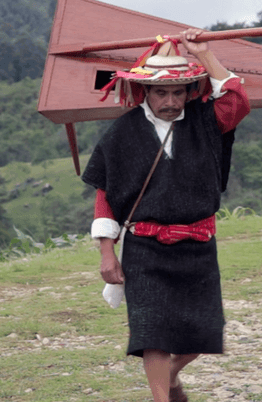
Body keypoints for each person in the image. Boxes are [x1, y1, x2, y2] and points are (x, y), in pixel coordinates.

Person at [81, 28, 250, 402]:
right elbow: (105, 194)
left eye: (178, 92)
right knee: (151, 332)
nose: (171, 101)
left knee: (201, 333)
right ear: (145, 92)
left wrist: (204, 53)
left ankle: (172, 376)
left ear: (190, 90)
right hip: (145, 247)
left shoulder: (206, 120)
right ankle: (161, 397)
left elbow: (237, 100)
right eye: (161, 92)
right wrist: (107, 252)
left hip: (197, 244)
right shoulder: (121, 133)